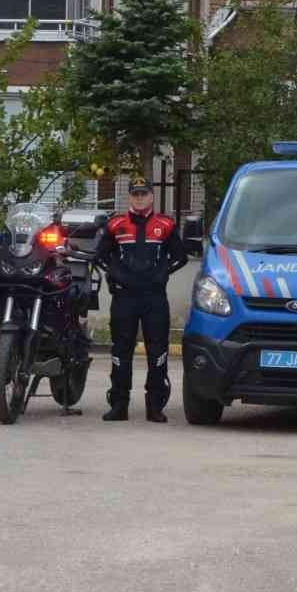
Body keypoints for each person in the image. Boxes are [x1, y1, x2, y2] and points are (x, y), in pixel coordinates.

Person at [96, 176, 188, 423]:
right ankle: (118, 405)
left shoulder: (165, 225)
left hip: (154, 298)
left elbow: (181, 257)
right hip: (124, 298)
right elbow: (101, 256)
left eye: (143, 194)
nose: (139, 198)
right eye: (135, 194)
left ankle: (155, 406)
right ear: (130, 197)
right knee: (120, 352)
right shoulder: (116, 224)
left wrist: (161, 274)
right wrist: (116, 275)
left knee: (157, 352)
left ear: (152, 196)